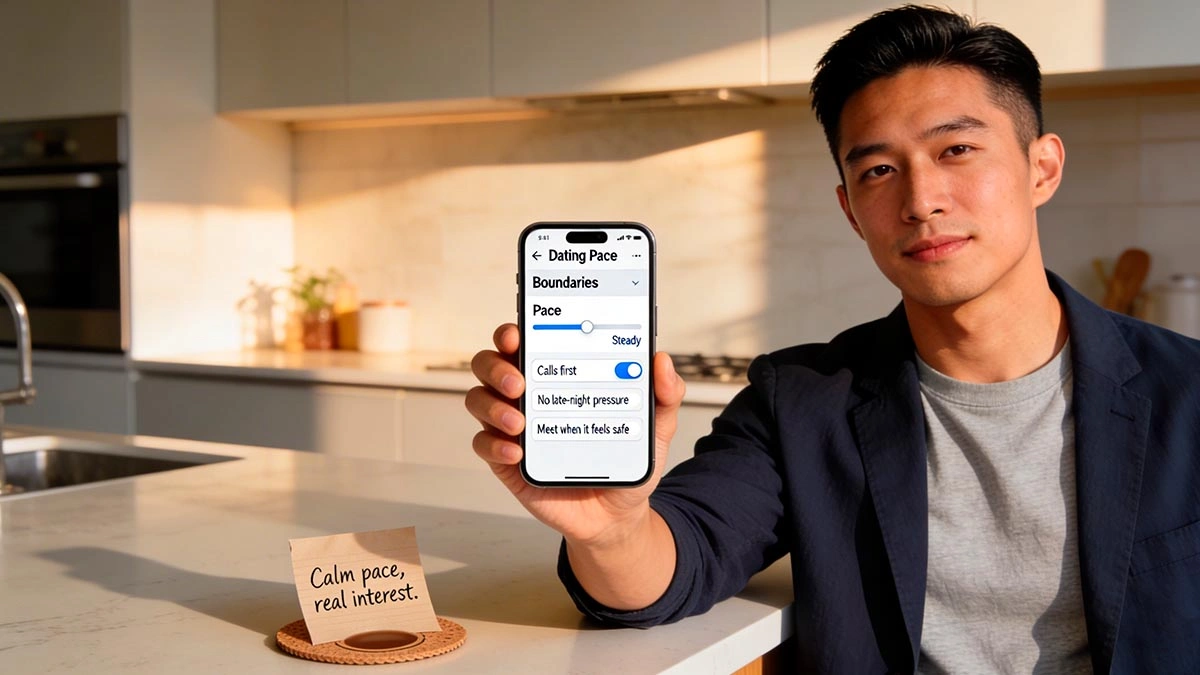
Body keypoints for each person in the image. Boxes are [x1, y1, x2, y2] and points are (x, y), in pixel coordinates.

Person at [465, 5, 1200, 673]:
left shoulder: (1187, 391)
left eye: (956, 152)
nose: (920, 200)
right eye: (879, 170)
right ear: (851, 209)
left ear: (1041, 167)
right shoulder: (801, 402)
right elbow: (672, 570)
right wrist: (609, 526)